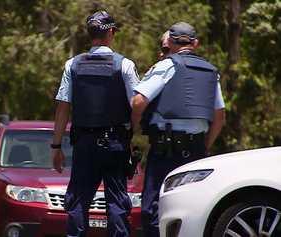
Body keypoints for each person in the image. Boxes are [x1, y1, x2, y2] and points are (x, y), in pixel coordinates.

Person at [131, 22, 226, 237]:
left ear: (171, 42)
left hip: (165, 152)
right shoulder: (211, 72)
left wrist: (134, 130)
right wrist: (205, 147)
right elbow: (220, 117)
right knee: (191, 211)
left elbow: (138, 102)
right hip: (196, 152)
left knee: (153, 209)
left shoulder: (167, 65)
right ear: (196, 44)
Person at [51, 10, 140, 237]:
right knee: (117, 204)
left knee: (78, 202)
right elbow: (137, 105)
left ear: (90, 34)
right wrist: (135, 139)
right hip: (116, 144)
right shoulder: (125, 65)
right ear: (111, 32)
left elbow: (63, 107)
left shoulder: (72, 64)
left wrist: (56, 146)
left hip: (84, 144)